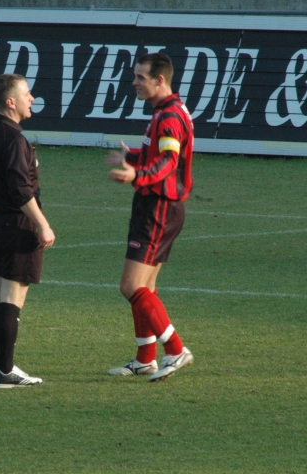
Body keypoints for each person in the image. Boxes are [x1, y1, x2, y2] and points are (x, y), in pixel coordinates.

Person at [105, 53, 194, 382]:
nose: (134, 82)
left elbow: (169, 161)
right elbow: (160, 153)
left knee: (130, 286)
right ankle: (145, 358)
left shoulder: (168, 117)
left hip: (157, 207)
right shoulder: (167, 110)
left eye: (141, 77)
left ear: (160, 80)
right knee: (145, 288)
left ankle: (176, 348)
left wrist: (137, 175)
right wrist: (133, 156)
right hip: (161, 206)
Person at [0, 73, 55, 388]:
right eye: (27, 94)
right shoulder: (15, 140)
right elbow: (21, 191)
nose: (31, 99)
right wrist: (42, 224)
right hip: (18, 226)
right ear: (10, 102)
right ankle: (5, 371)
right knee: (11, 299)